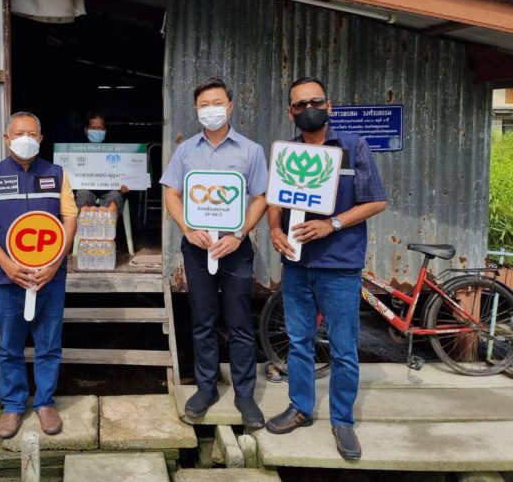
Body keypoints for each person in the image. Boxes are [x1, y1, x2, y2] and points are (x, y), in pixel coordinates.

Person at [265, 77, 387, 461]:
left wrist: (331, 224)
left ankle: (342, 420)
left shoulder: (353, 147)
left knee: (344, 347)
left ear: (329, 106)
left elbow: (376, 201)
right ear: (290, 113)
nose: (308, 109)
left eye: (315, 102)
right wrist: (273, 229)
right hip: (297, 263)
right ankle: (300, 407)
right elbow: (274, 200)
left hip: (339, 265)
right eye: (300, 105)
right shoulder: (286, 153)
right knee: (299, 340)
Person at [160, 77, 268, 428]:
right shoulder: (185, 151)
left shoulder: (250, 150)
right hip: (197, 247)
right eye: (204, 105)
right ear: (196, 109)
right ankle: (205, 388)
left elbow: (261, 197)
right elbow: (171, 194)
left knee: (239, 321)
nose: (211, 110)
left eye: (217, 103)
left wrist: (239, 234)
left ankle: (245, 394)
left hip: (234, 247)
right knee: (202, 320)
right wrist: (187, 229)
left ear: (230, 106)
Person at [0, 112, 78, 439]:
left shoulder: (56, 174)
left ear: (41, 139)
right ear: (7, 139)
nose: (25, 139)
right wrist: (6, 264)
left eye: (32, 134)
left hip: (50, 277)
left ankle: (45, 403)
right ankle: (13, 405)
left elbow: (70, 218)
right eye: (18, 134)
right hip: (8, 279)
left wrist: (55, 263)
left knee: (49, 344)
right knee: (9, 347)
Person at [74, 112, 129, 216]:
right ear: (86, 130)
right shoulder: (76, 149)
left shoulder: (115, 149)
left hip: (110, 189)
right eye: (93, 128)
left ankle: (109, 221)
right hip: (86, 188)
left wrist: (125, 185)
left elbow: (124, 173)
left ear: (105, 131)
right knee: (82, 194)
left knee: (114, 197)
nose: (97, 131)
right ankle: (85, 220)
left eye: (100, 128)